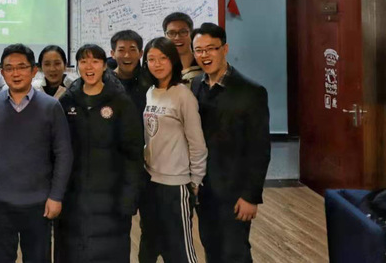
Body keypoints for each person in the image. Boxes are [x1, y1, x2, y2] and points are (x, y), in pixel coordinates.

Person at [0, 43, 73, 263]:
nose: (15, 73)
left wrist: (56, 196)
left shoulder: (51, 107)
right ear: (2, 72)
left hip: (38, 203)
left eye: (21, 67)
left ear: (34, 70)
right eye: (9, 68)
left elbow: (64, 153)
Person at [191, 23, 271, 263]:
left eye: (211, 48)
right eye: (199, 50)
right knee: (211, 246)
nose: (204, 55)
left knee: (235, 253)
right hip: (205, 188)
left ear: (224, 49)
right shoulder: (196, 84)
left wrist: (251, 196)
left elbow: (260, 148)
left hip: (235, 191)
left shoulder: (251, 91)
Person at [57, 44, 144, 263]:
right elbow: (57, 151)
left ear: (104, 66)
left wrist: (129, 196)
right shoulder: (66, 102)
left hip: (112, 200)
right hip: (73, 199)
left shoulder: (121, 103)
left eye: (95, 61)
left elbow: (133, 154)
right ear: (77, 66)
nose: (89, 67)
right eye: (83, 61)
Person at [138, 37, 207, 263]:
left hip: (176, 183)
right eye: (151, 59)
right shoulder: (150, 92)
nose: (157, 64)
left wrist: (195, 180)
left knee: (180, 249)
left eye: (163, 58)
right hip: (151, 180)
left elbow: (197, 142)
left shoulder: (183, 94)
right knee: (149, 244)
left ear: (173, 60)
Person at [111, 29, 151, 117]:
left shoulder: (149, 81)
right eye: (121, 50)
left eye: (132, 50)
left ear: (140, 53)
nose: (127, 55)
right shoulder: (105, 82)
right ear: (113, 54)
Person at [162, 12, 202, 82]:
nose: (177, 38)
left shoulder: (202, 62)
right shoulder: (163, 67)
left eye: (183, 32)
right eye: (171, 33)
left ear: (191, 33)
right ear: (165, 36)